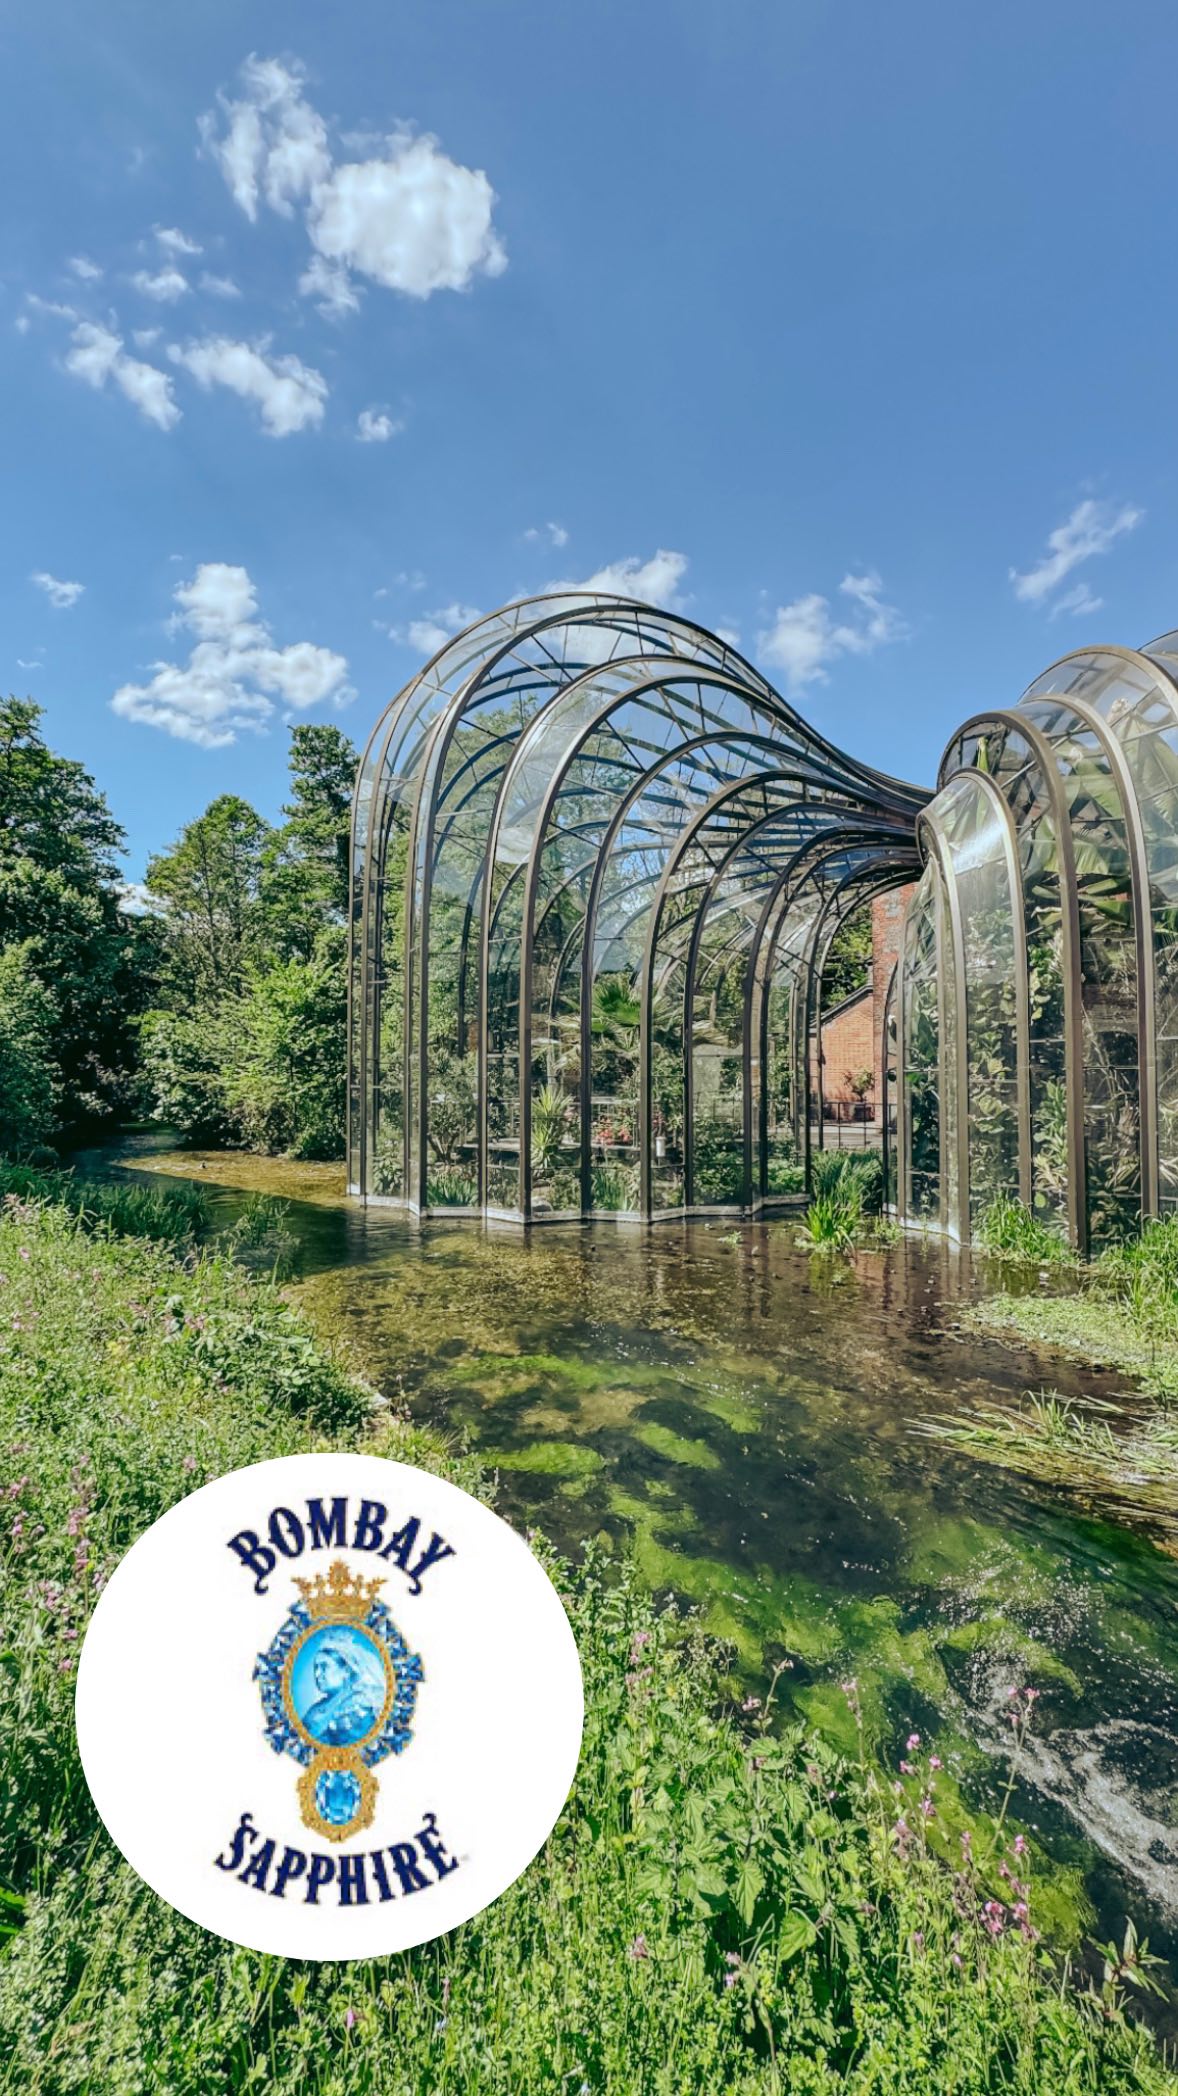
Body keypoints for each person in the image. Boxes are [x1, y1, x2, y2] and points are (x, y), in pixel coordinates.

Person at [299, 1634, 383, 1745]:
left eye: (324, 1667)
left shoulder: (358, 1705)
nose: (317, 1674)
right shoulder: (316, 1707)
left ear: (346, 1671)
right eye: (316, 1668)